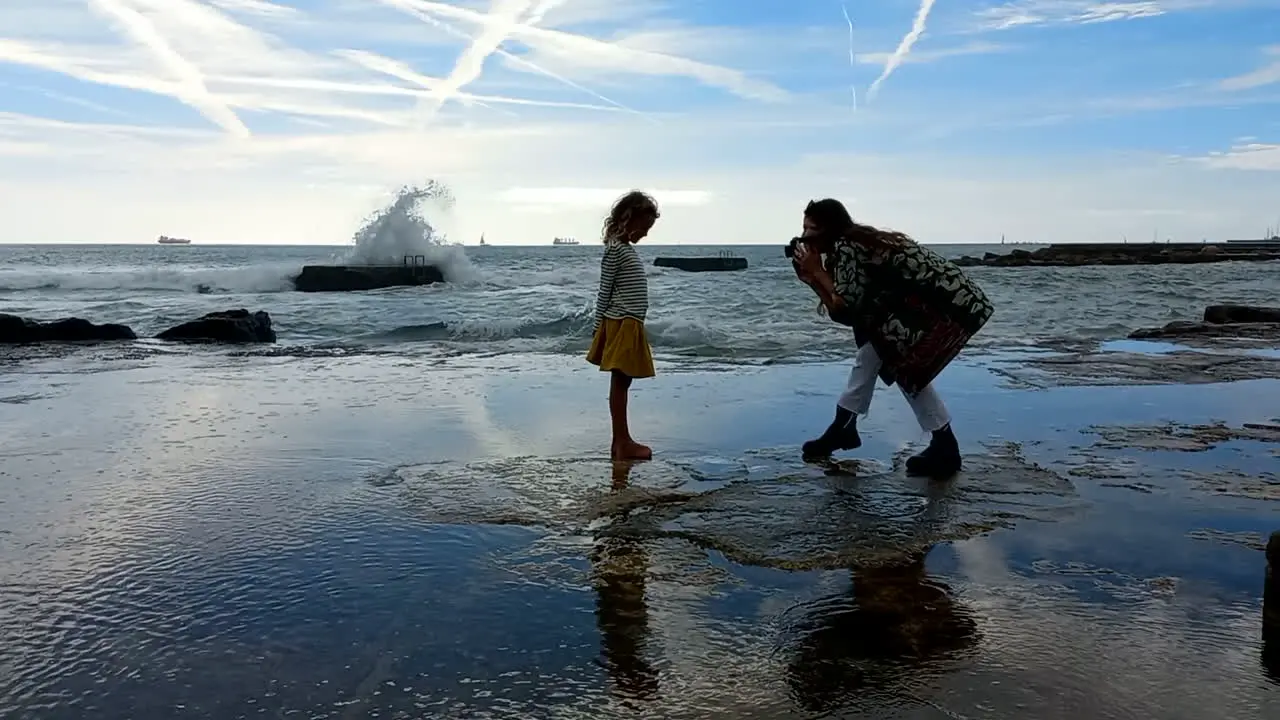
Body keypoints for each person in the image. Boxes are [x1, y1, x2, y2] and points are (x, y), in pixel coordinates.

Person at [790, 198, 994, 477]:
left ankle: (844, 427)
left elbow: (848, 306)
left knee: (891, 358)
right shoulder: (845, 249)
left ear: (829, 229)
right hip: (933, 303)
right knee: (889, 358)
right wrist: (814, 279)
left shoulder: (850, 247)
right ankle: (940, 442)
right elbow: (845, 312)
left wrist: (819, 273)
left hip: (945, 302)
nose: (804, 237)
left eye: (810, 229)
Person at [586, 190, 661, 460]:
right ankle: (621, 441)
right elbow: (604, 290)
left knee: (623, 381)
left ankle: (621, 441)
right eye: (644, 227)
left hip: (630, 322)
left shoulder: (623, 250)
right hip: (621, 321)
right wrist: (598, 328)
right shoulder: (616, 251)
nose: (645, 234)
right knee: (620, 381)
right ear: (628, 220)